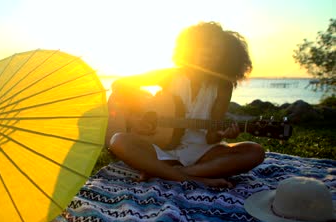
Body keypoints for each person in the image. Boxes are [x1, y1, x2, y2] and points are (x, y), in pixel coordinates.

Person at [106, 21, 265, 188]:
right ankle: (195, 177)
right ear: (190, 48)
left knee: (255, 152)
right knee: (118, 140)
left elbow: (211, 136)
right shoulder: (169, 75)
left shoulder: (222, 86)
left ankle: (170, 173)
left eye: (216, 50)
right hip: (161, 149)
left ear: (225, 56)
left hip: (201, 152)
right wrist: (137, 116)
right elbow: (119, 85)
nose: (208, 53)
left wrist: (222, 134)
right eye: (204, 46)